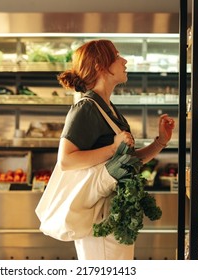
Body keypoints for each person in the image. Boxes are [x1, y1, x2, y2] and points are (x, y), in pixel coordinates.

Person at [56, 39, 175, 260]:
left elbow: (127, 161)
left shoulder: (108, 108)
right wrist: (112, 148)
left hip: (113, 212)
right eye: (117, 55)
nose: (124, 60)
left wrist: (160, 142)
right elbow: (66, 160)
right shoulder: (85, 108)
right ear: (101, 66)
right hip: (99, 215)